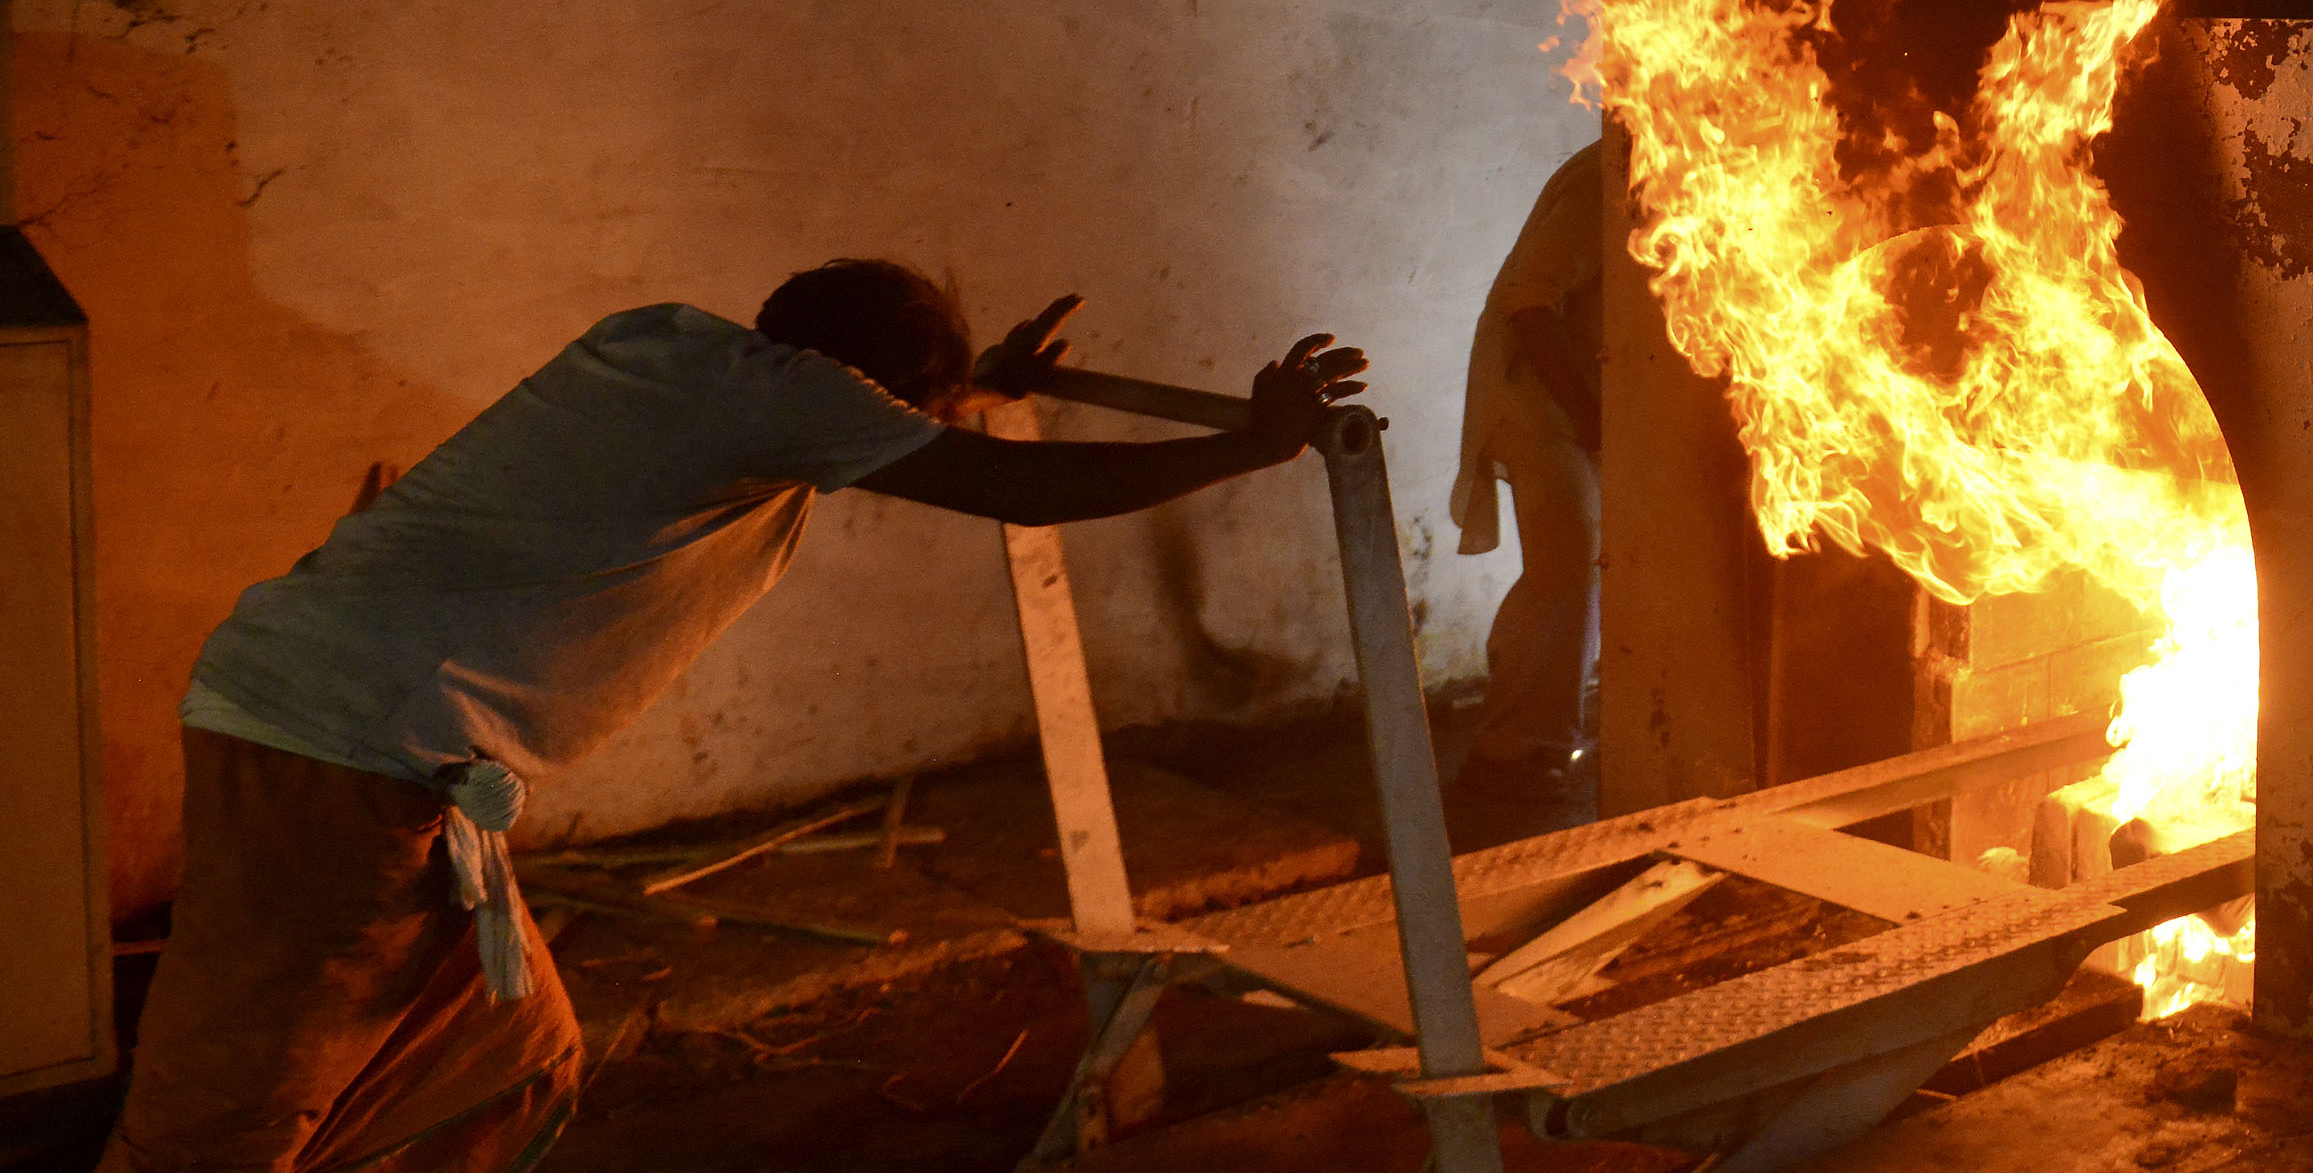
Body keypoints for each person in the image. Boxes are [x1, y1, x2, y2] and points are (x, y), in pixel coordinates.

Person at [100, 259, 1366, 1173]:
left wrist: (972, 384)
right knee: (227, 1112)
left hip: (349, 730)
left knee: (503, 1050)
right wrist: (1249, 446)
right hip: (341, 752)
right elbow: (1008, 484)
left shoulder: (685, 356)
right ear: (865, 384)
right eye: (913, 405)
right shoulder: (791, 401)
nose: (907, 431)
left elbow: (881, 425)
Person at [1450, 142, 1602, 805]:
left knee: (1578, 563)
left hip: (1571, 404)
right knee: (1564, 563)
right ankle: (1512, 748)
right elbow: (1528, 302)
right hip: (1538, 405)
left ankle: (1544, 735)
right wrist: (1586, 411)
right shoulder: (1604, 184)